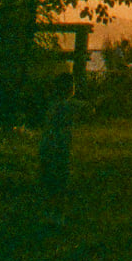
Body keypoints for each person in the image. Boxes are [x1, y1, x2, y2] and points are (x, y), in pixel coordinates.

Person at [37, 70, 80, 227]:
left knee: (49, 181)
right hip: (58, 148)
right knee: (60, 182)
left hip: (48, 147)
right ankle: (57, 215)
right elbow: (87, 109)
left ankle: (49, 212)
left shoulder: (53, 105)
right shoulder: (66, 106)